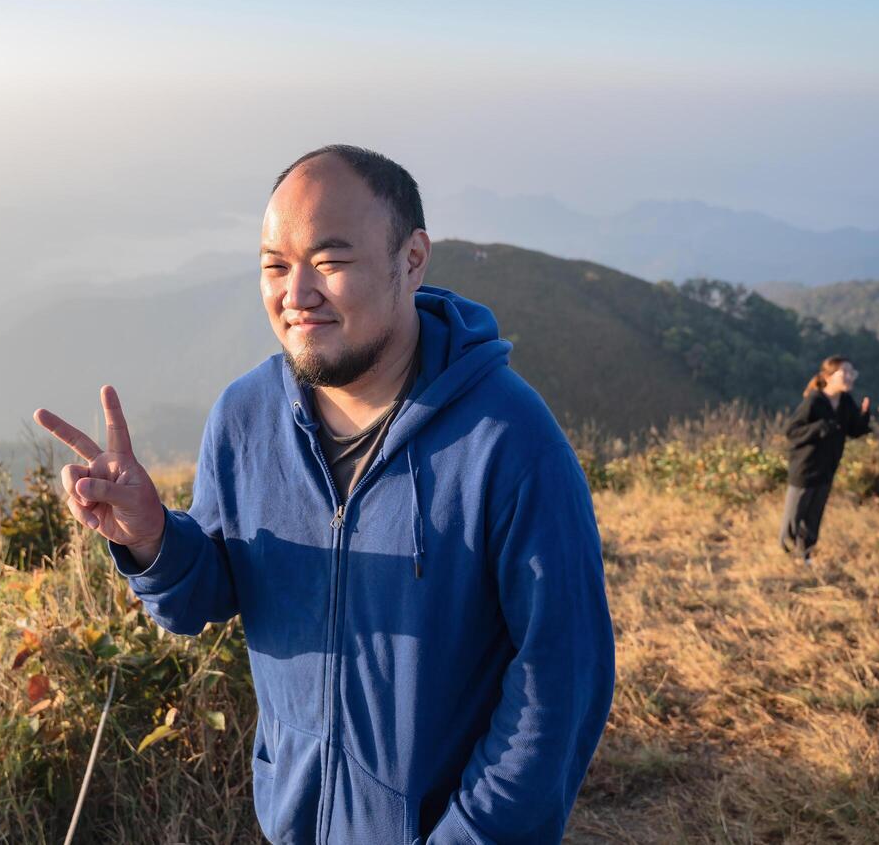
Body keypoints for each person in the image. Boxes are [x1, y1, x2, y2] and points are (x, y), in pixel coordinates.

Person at [33, 145, 615, 844]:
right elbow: (205, 599)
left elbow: (561, 682)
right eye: (274, 266)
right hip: (296, 821)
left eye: (330, 263)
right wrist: (150, 536)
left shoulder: (510, 443)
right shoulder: (245, 416)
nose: (295, 294)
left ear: (412, 259)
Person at [780, 355, 873, 566]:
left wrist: (864, 417)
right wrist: (820, 427)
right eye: (845, 373)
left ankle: (805, 555)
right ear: (828, 376)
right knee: (795, 513)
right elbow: (792, 432)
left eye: (852, 373)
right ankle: (786, 555)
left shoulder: (845, 402)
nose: (850, 377)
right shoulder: (814, 401)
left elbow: (853, 430)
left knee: (814, 515)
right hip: (805, 467)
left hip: (827, 467)